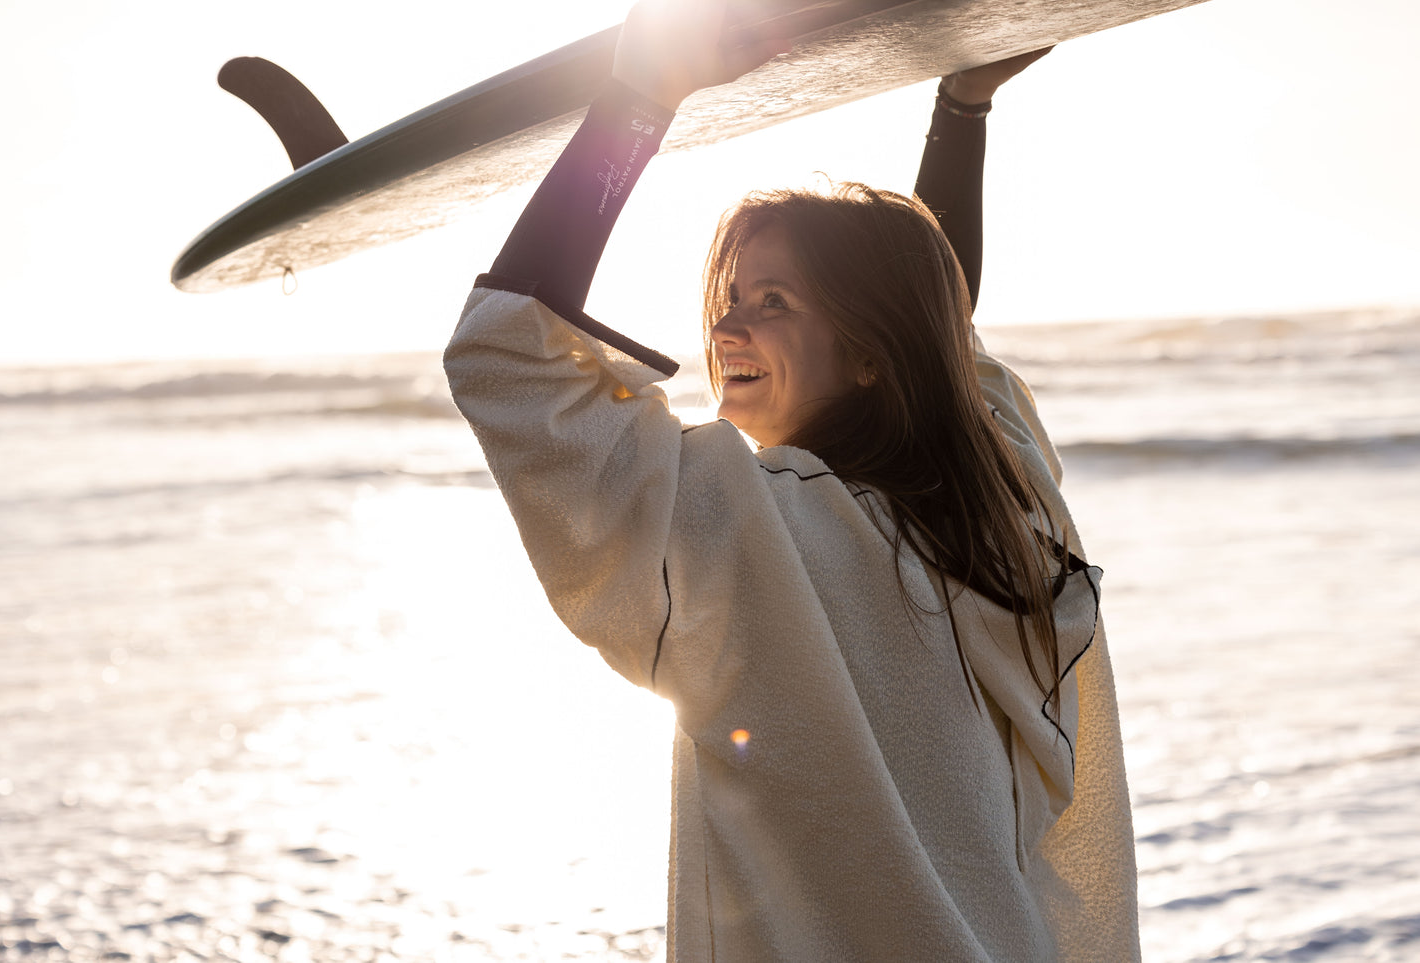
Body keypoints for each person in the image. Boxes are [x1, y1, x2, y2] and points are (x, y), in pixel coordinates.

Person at [445, 1, 1139, 959]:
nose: (726, 330)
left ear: (867, 352)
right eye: (730, 299)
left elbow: (507, 356)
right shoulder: (1004, 514)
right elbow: (945, 329)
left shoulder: (737, 535)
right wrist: (963, 104)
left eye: (771, 304)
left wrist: (638, 102)